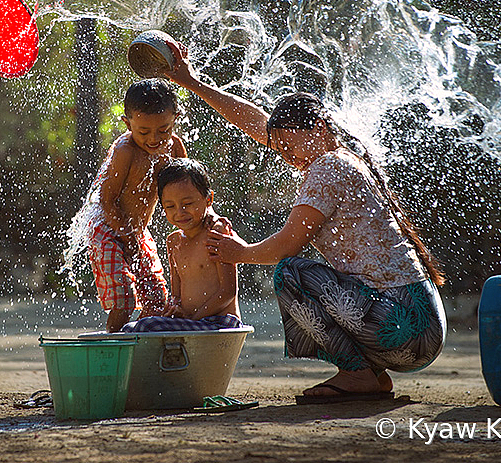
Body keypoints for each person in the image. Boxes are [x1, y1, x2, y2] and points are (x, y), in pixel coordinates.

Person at [162, 43, 447, 404]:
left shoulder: (328, 166)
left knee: (290, 273)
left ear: (318, 127)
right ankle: (369, 375)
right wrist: (193, 83)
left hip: (407, 327)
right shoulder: (340, 157)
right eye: (277, 145)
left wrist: (239, 252)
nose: (283, 154)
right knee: (300, 273)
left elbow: (285, 247)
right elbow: (251, 119)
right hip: (414, 326)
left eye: (287, 144)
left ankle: (357, 374)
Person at [89, 79, 187, 332]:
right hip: (108, 230)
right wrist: (126, 236)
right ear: (127, 123)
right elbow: (107, 201)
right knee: (124, 298)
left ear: (175, 118)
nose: (154, 139)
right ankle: (112, 353)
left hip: (138, 233)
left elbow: (188, 189)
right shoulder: (125, 150)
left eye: (163, 130)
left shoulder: (174, 147)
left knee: (157, 302)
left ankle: (140, 350)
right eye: (143, 132)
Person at [122, 158, 242, 332]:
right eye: (170, 206)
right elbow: (176, 295)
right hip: (192, 322)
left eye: (188, 204)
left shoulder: (215, 232)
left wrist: (194, 317)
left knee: (147, 327)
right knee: (130, 328)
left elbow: (228, 292)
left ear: (208, 199)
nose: (180, 212)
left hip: (220, 322)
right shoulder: (174, 242)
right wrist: (174, 309)